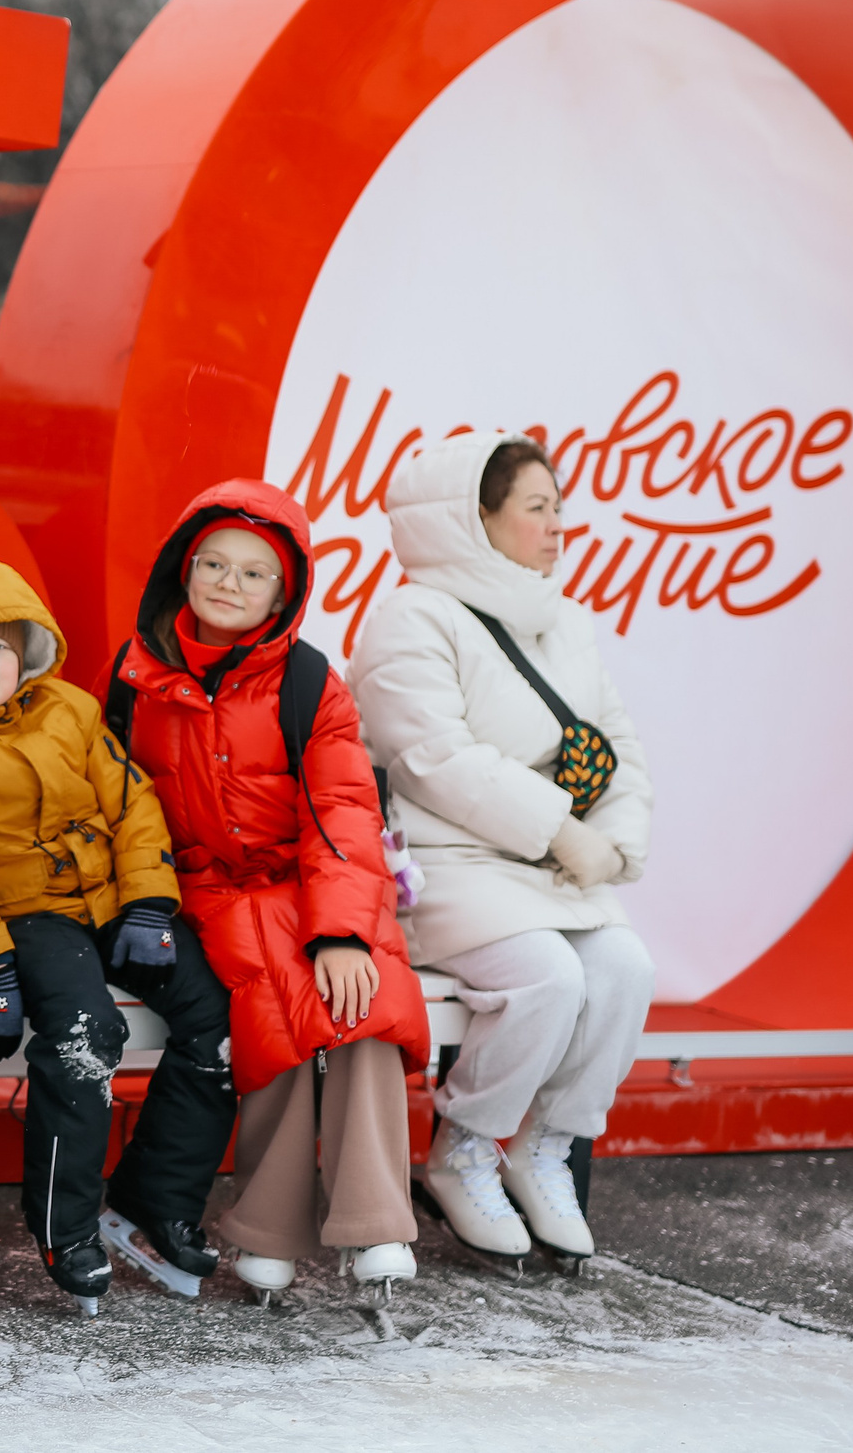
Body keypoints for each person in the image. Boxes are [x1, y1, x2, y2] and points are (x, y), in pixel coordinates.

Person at [111, 480, 429, 1304]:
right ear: (183, 569)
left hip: (314, 879)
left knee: (361, 992)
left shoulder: (308, 680)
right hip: (205, 891)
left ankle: (378, 1222)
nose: (229, 582)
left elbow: (343, 811)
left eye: (255, 574)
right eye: (213, 561)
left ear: (283, 595)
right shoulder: (136, 673)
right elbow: (114, 798)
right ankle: (267, 1226)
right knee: (274, 1006)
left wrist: (343, 930)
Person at [349, 432, 655, 1264]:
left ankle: (545, 1144)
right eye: (536, 508)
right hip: (451, 865)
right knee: (548, 979)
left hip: (554, 869)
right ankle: (465, 1148)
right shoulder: (414, 616)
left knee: (625, 970)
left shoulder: (567, 622)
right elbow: (435, 757)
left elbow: (614, 746)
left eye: (560, 508)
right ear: (472, 518)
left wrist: (614, 845)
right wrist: (563, 830)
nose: (559, 526)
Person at [0, 556, 232, 1315]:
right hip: (28, 913)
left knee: (215, 1020)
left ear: (27, 651)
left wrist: (152, 904)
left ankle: (157, 1197)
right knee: (86, 1031)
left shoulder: (68, 708)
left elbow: (133, 803)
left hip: (116, 899)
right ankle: (68, 1225)